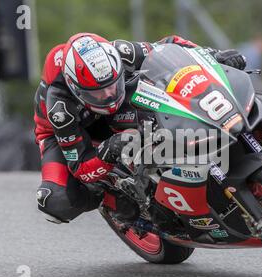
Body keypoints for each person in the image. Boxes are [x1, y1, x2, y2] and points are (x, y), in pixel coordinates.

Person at [34, 33, 247, 224]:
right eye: (98, 92)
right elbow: (80, 167)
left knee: (155, 91)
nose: (109, 95)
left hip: (108, 113)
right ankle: (111, 197)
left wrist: (213, 56)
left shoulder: (121, 51)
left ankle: (177, 160)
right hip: (68, 131)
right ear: (76, 89)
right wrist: (108, 152)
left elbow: (169, 46)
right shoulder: (60, 110)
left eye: (112, 85)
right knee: (56, 202)